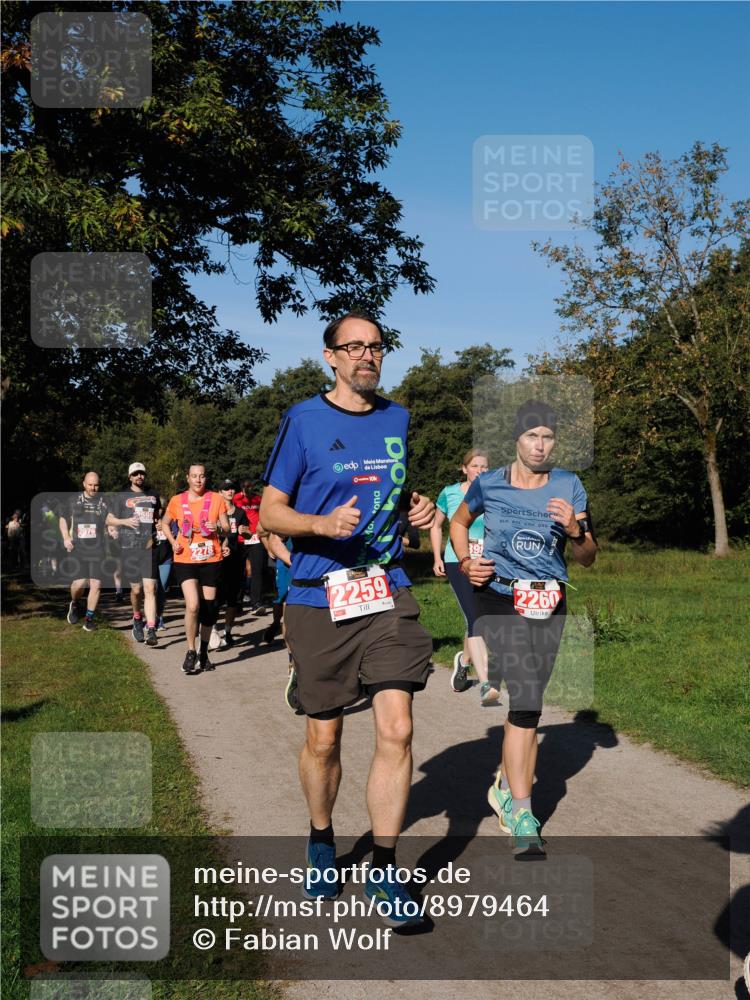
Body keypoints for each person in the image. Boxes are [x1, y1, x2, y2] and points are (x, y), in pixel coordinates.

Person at [260, 311, 435, 925]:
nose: (367, 355)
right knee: (324, 737)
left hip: (385, 589)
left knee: (397, 729)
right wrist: (318, 525)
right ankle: (320, 835)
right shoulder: (303, 420)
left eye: (376, 346)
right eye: (353, 346)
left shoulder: (398, 418)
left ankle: (385, 869)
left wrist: (415, 507)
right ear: (330, 357)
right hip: (317, 594)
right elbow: (269, 514)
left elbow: (394, 489)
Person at [450, 400, 597, 857]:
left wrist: (575, 529)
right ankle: (521, 811)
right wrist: (467, 560)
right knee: (527, 693)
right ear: (516, 439)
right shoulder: (490, 483)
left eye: (547, 437)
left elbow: (589, 556)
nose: (539, 445)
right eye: (532, 435)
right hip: (499, 595)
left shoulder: (569, 484)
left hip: (549, 598)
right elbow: (459, 522)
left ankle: (504, 789)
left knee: (529, 708)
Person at [431, 449, 498, 705]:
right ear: (464, 468)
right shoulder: (449, 493)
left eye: (485, 467)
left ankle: (465, 661)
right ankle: (485, 684)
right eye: (475, 466)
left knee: (479, 616)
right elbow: (436, 526)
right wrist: (437, 557)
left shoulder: (493, 493)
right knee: (475, 616)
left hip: (486, 561)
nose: (480, 471)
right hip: (457, 560)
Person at [162, 465, 231, 675]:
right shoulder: (176, 500)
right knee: (193, 606)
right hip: (185, 558)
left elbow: (227, 527)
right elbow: (165, 523)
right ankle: (190, 651)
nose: (198, 480)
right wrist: (173, 541)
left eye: (201, 476)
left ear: (205, 478)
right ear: (188, 478)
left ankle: (204, 652)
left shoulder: (216, 499)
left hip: (211, 558)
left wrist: (217, 528)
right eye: (194, 476)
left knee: (209, 610)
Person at [108, 463, 160, 647]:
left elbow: (157, 517)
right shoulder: (121, 496)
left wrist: (159, 525)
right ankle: (137, 617)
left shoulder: (153, 495)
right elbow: (109, 519)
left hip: (149, 547)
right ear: (130, 477)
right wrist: (125, 521)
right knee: (136, 590)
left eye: (142, 473)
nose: (139, 476)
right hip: (129, 548)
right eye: (136, 474)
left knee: (150, 589)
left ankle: (151, 629)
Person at [58, 472, 115, 632]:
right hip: (78, 547)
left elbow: (109, 518)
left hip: (98, 548)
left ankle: (89, 620)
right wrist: (66, 537)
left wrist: (111, 528)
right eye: (90, 484)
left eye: (96, 485)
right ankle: (75, 603)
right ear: (84, 484)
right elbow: (63, 519)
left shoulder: (105, 501)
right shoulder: (73, 500)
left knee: (96, 584)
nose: (93, 488)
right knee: (80, 583)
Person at [214, 479, 251, 649]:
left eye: (231, 489)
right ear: (220, 492)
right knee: (214, 597)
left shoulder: (240, 512)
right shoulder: (213, 511)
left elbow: (248, 534)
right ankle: (212, 630)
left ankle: (227, 632)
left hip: (235, 558)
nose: (230, 491)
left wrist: (246, 532)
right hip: (216, 559)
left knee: (233, 599)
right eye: (226, 489)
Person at [234, 478, 265, 611]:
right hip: (240, 539)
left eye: (250, 486)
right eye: (245, 486)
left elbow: (264, 515)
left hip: (256, 538)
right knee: (239, 571)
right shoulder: (236, 499)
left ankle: (256, 602)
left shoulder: (258, 499)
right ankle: (237, 602)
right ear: (241, 487)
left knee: (257, 571)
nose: (248, 488)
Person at [154, 498, 175, 630]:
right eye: (158, 507)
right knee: (151, 589)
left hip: (166, 559)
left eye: (162, 507)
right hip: (150, 558)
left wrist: (170, 533)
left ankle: (159, 619)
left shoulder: (171, 520)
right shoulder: (148, 520)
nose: (160, 510)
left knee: (161, 588)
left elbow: (178, 535)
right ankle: (150, 619)